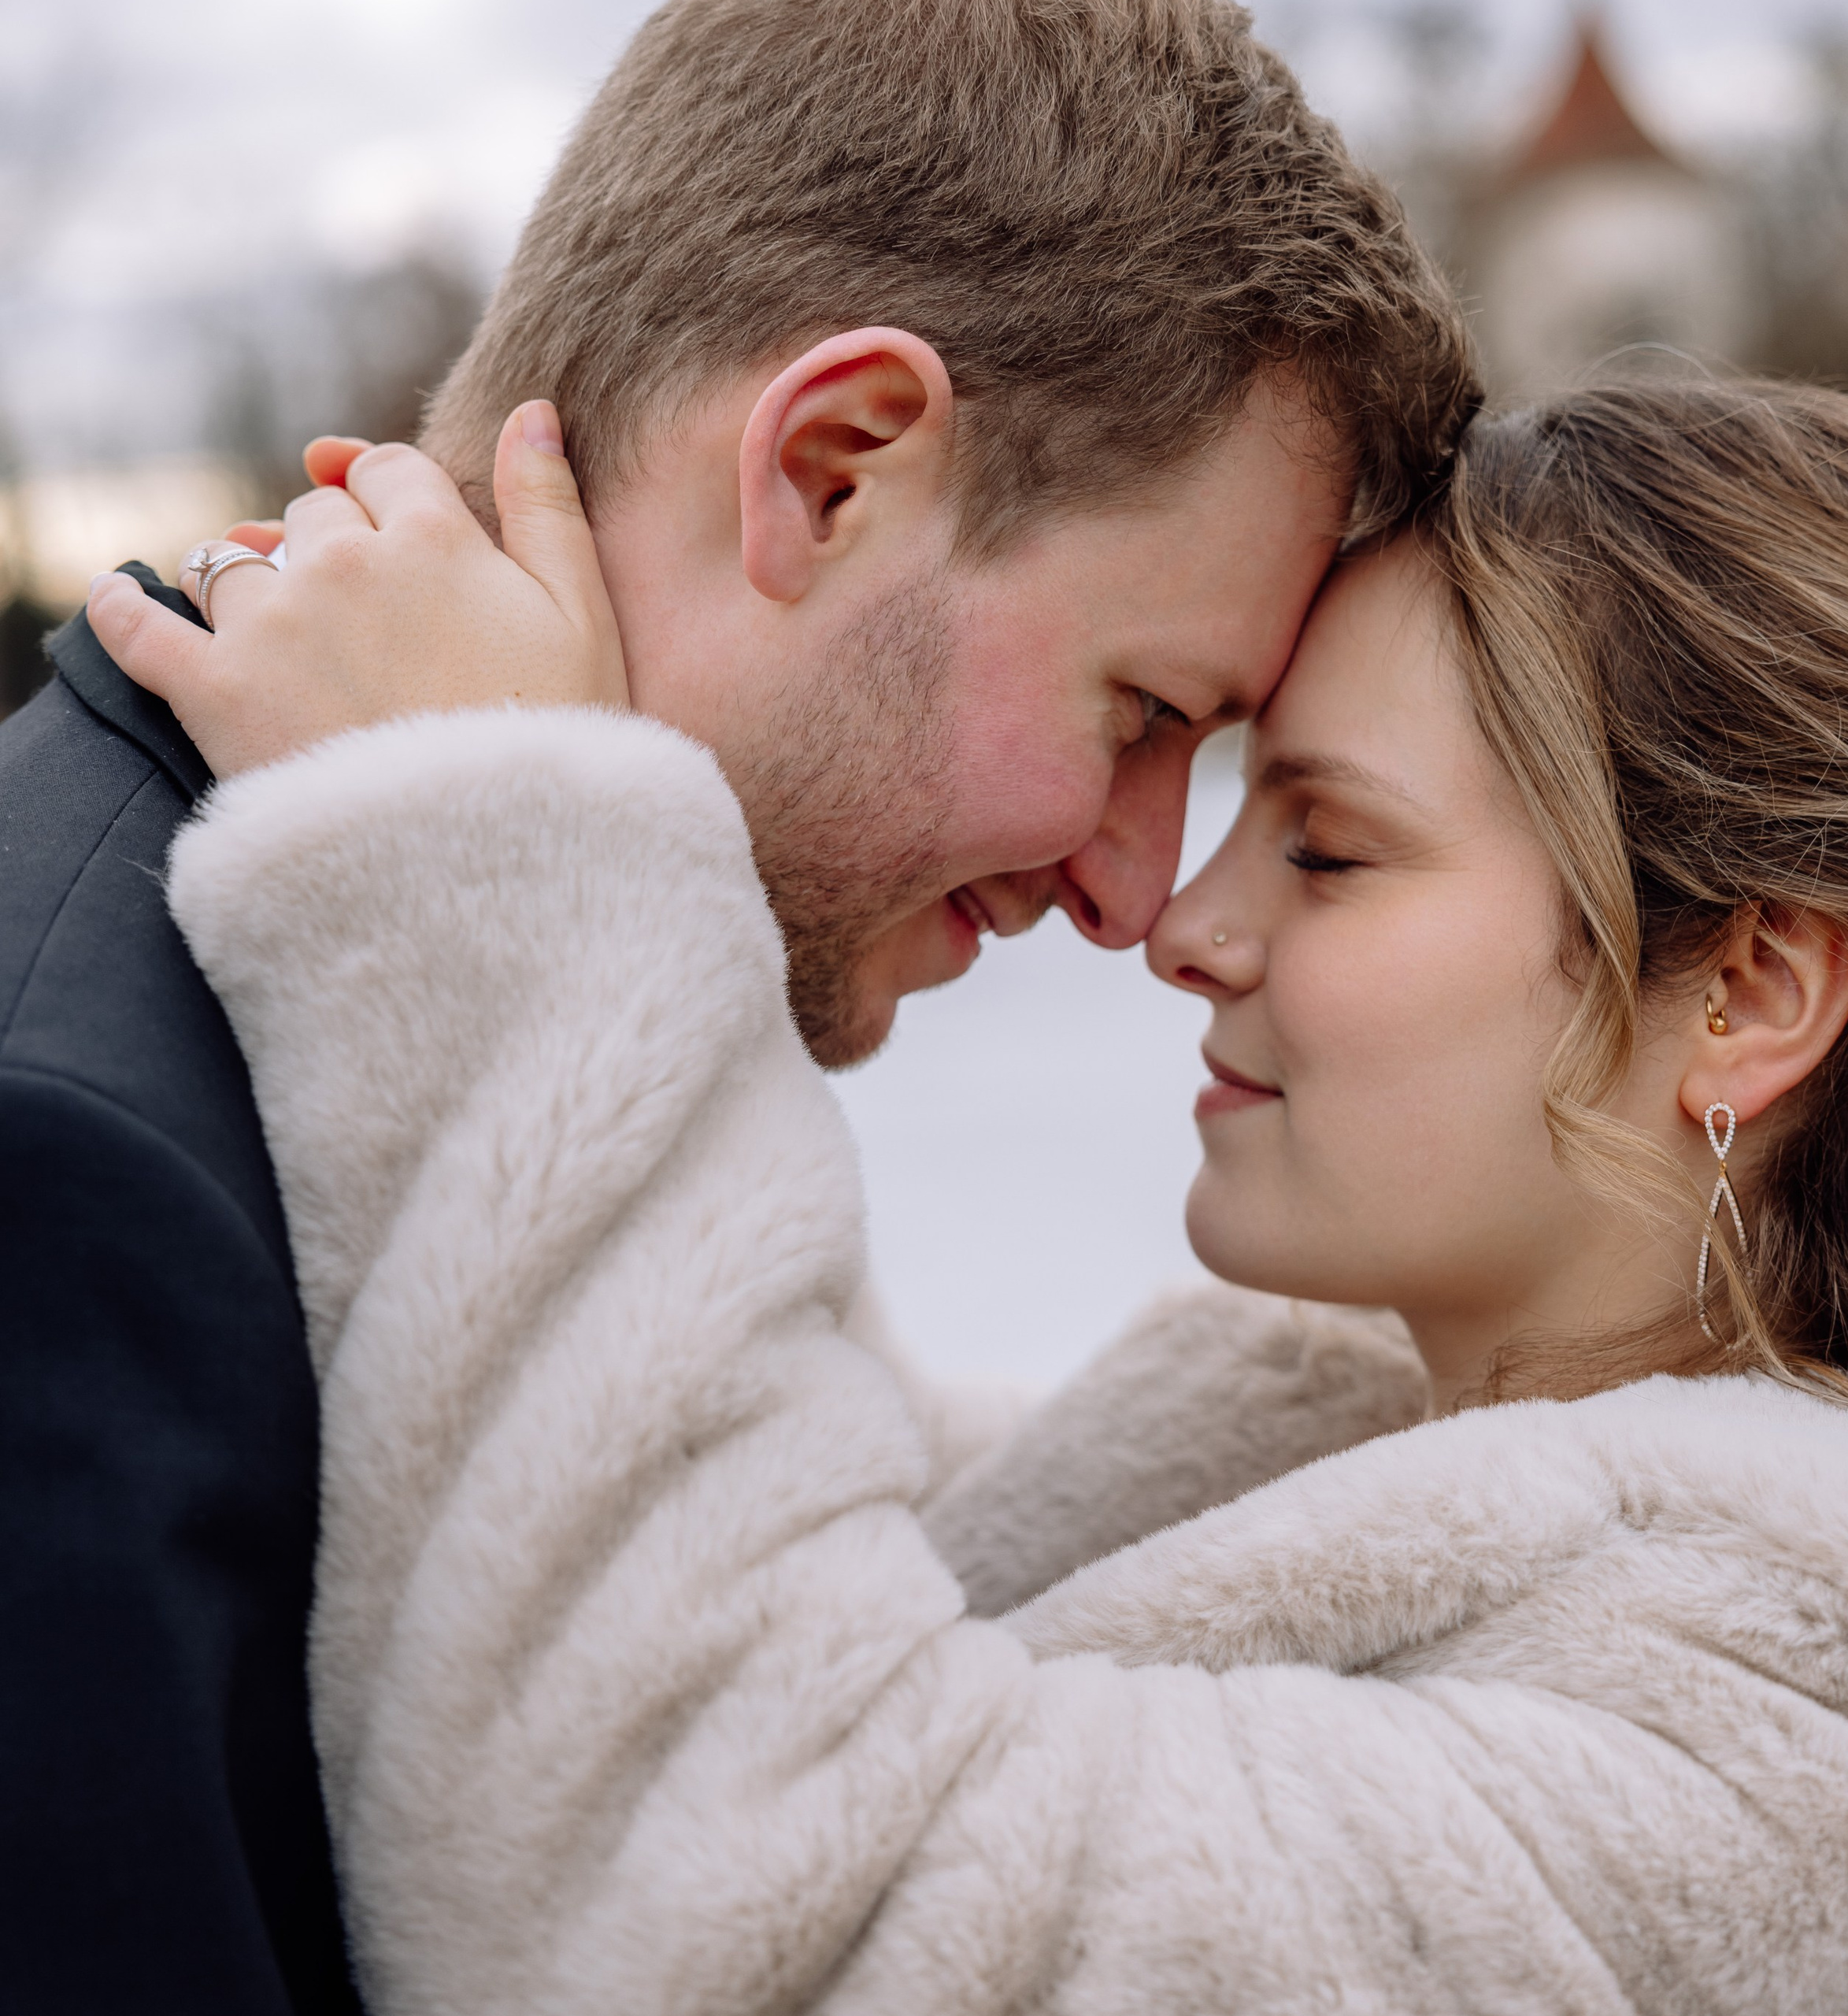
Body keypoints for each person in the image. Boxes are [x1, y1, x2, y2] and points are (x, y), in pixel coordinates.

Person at [102, 374, 1848, 2010]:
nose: (1179, 921)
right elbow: (759, 1510)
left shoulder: (1836, 1780)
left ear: (1744, 989)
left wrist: (490, 860)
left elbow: (753, 1928)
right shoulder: (1319, 1443)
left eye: (1327, 849)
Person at [2, 2, 1471, 2007]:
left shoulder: (455, 1041)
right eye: (1142, 712)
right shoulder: (77, 1178)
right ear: (832, 469)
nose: (1136, 889)